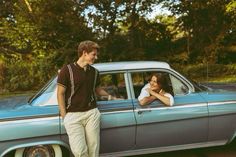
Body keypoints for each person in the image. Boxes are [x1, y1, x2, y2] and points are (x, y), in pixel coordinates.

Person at [57, 40, 112, 157]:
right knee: (79, 151)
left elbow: (97, 90)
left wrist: (111, 97)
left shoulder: (95, 72)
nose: (96, 57)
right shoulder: (66, 70)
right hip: (73, 116)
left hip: (92, 113)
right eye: (94, 54)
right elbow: (60, 93)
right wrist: (64, 116)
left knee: (94, 149)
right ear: (84, 53)